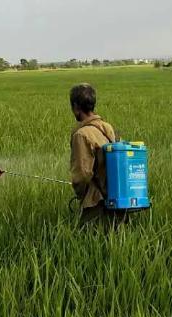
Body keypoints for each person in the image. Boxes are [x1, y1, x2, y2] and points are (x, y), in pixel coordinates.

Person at [69, 83, 128, 228]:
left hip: (96, 203)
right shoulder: (106, 127)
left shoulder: (81, 134)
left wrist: (80, 193)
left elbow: (82, 175)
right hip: (116, 196)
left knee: (88, 242)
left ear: (76, 106)